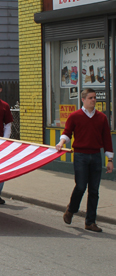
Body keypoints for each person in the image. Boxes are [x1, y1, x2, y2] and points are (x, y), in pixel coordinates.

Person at [56, 88, 113, 233]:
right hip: (80, 155)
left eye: (94, 98)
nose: (94, 100)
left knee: (94, 190)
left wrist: (110, 159)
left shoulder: (101, 118)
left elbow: (107, 138)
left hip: (95, 156)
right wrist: (61, 143)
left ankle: (90, 222)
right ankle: (71, 210)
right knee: (81, 186)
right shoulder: (75, 116)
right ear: (83, 100)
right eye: (90, 98)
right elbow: (67, 132)